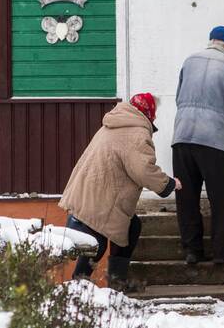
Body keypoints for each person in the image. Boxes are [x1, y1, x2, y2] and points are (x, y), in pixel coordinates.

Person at [59, 93, 181, 291]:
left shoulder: (113, 124)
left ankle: (112, 284)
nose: (156, 118)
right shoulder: (136, 134)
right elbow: (143, 170)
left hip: (89, 193)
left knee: (129, 228)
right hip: (101, 199)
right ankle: (81, 286)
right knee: (96, 243)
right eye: (154, 113)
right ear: (147, 113)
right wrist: (168, 184)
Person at [172, 26, 224, 266]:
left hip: (182, 137)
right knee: (222, 199)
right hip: (215, 140)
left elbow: (178, 98)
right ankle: (221, 253)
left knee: (186, 197)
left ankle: (192, 251)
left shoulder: (189, 61)